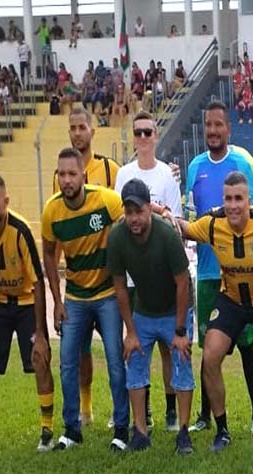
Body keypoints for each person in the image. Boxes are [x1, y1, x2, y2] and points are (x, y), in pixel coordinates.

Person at [171, 172, 253, 453]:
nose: (233, 205)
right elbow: (184, 229)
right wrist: (158, 213)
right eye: (228, 199)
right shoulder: (213, 224)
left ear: (248, 200)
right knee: (211, 356)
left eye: (238, 198)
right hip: (231, 300)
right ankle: (223, 430)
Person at [185, 101, 253, 435]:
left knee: (247, 344)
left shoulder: (243, 160)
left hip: (241, 273)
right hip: (207, 273)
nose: (213, 131)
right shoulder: (194, 167)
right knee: (208, 348)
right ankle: (206, 415)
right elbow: (191, 219)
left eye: (219, 125)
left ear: (228, 129)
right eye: (209, 125)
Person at [42, 148, 128, 451]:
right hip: (75, 298)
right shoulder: (52, 211)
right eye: (62, 174)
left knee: (116, 362)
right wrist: (58, 300)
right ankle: (72, 430)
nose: (66, 180)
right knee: (67, 363)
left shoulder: (106, 200)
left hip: (107, 295)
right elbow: (49, 254)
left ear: (83, 175)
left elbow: (129, 223)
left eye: (72, 174)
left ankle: (121, 430)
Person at [108, 179, 194, 454]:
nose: (134, 218)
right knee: (134, 362)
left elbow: (183, 282)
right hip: (144, 309)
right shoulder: (117, 236)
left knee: (181, 362)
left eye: (139, 211)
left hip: (175, 308)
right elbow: (119, 286)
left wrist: (180, 332)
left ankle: (183, 431)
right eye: (129, 211)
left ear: (149, 209)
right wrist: (131, 332)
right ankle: (141, 432)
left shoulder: (167, 234)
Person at [0, 173, 54, 451]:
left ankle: (47, 429)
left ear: (6, 201)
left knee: (40, 358)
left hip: (26, 302)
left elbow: (38, 283)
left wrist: (41, 334)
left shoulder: (20, 230)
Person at [51, 107, 121, 429]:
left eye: (82, 127)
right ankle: (84, 411)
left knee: (117, 353)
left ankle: (123, 417)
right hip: (78, 285)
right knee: (77, 357)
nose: (77, 132)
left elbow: (122, 219)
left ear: (92, 130)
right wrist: (59, 298)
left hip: (110, 282)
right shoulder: (60, 177)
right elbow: (57, 232)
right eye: (72, 128)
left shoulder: (109, 169)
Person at [114, 111, 184, 431]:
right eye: (138, 132)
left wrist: (155, 211)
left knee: (169, 348)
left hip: (161, 270)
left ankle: (172, 409)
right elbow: (122, 215)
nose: (142, 138)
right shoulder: (124, 174)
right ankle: (145, 414)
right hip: (132, 274)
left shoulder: (166, 176)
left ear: (156, 136)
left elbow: (174, 219)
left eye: (148, 132)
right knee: (137, 346)